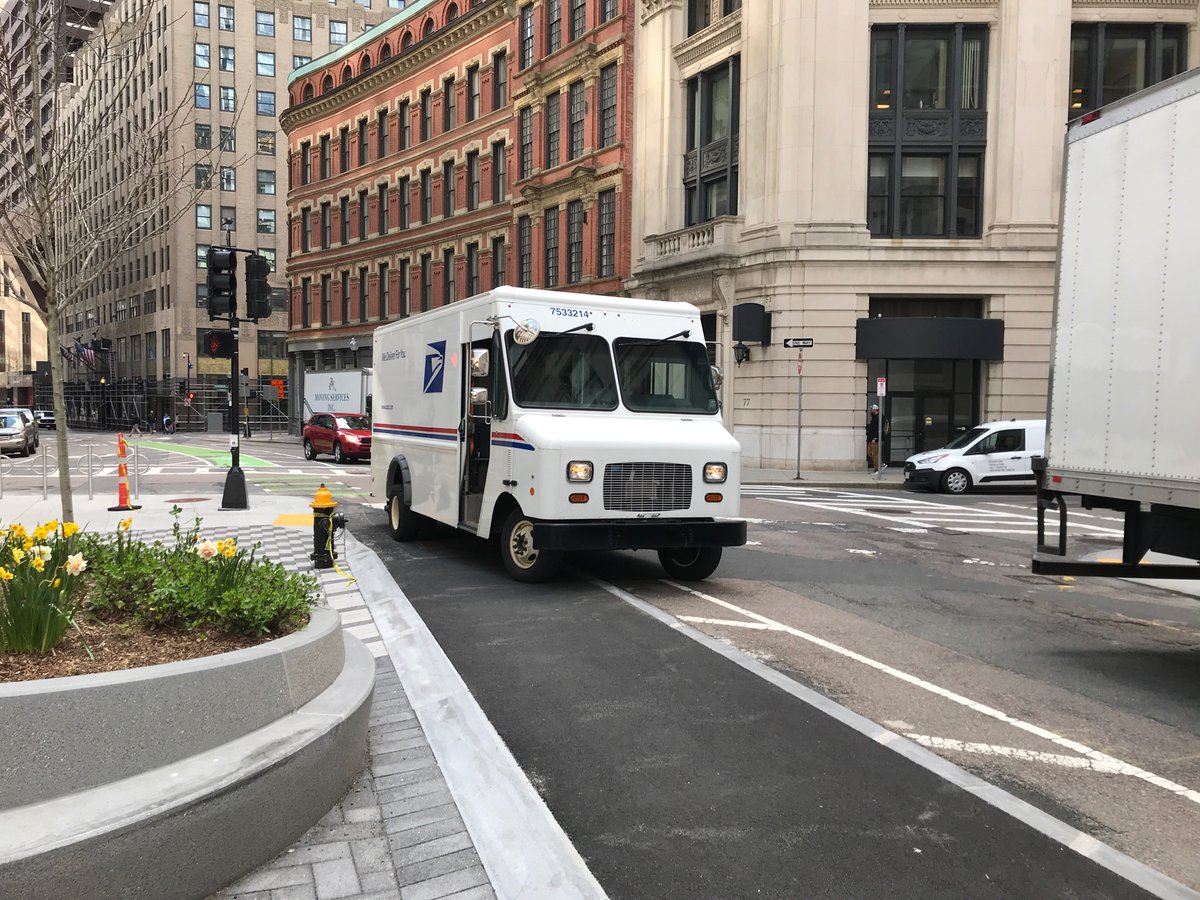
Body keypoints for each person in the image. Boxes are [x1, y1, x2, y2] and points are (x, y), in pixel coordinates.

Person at [866, 404, 890, 471]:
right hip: (871, 438)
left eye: (871, 409)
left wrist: (875, 438)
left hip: (875, 439)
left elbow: (879, 429)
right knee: (870, 453)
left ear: (875, 410)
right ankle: (881, 464)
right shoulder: (874, 417)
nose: (870, 411)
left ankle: (877, 469)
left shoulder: (880, 418)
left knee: (875, 454)